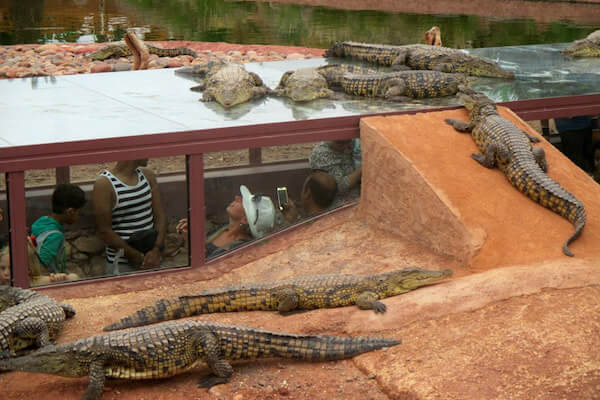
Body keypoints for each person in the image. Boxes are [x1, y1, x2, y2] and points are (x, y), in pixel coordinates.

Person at [92, 159, 167, 274]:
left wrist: (156, 249)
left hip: (152, 258)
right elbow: (104, 231)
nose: (148, 155)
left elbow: (160, 216)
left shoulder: (148, 176)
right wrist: (136, 256)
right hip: (122, 263)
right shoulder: (104, 184)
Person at [176, 185, 275, 259]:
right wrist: (190, 235)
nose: (237, 197)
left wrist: (192, 240)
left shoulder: (238, 249)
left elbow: (205, 268)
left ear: (244, 220)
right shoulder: (223, 228)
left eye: (243, 202)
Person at [30, 183, 86, 278]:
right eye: (79, 213)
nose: (79, 216)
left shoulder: (41, 222)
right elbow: (41, 267)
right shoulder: (55, 236)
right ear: (70, 212)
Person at [309, 140, 362, 204]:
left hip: (356, 198)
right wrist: (362, 169)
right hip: (337, 204)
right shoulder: (322, 153)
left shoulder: (352, 143)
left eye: (348, 142)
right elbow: (340, 186)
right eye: (340, 144)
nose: (346, 147)